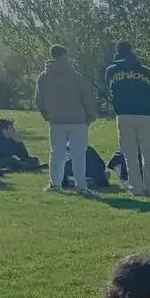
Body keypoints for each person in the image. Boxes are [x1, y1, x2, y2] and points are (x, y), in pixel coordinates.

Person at [36, 44, 98, 194]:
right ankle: (81, 186)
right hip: (77, 121)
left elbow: (39, 100)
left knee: (56, 154)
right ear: (65, 56)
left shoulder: (43, 76)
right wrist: (90, 115)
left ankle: (54, 184)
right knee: (78, 155)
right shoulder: (75, 76)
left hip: (56, 121)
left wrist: (48, 115)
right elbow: (87, 97)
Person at [106, 41, 150, 197]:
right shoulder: (145, 71)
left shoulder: (111, 70)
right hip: (144, 114)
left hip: (123, 115)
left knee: (129, 153)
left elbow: (109, 90)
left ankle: (136, 188)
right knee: (148, 153)